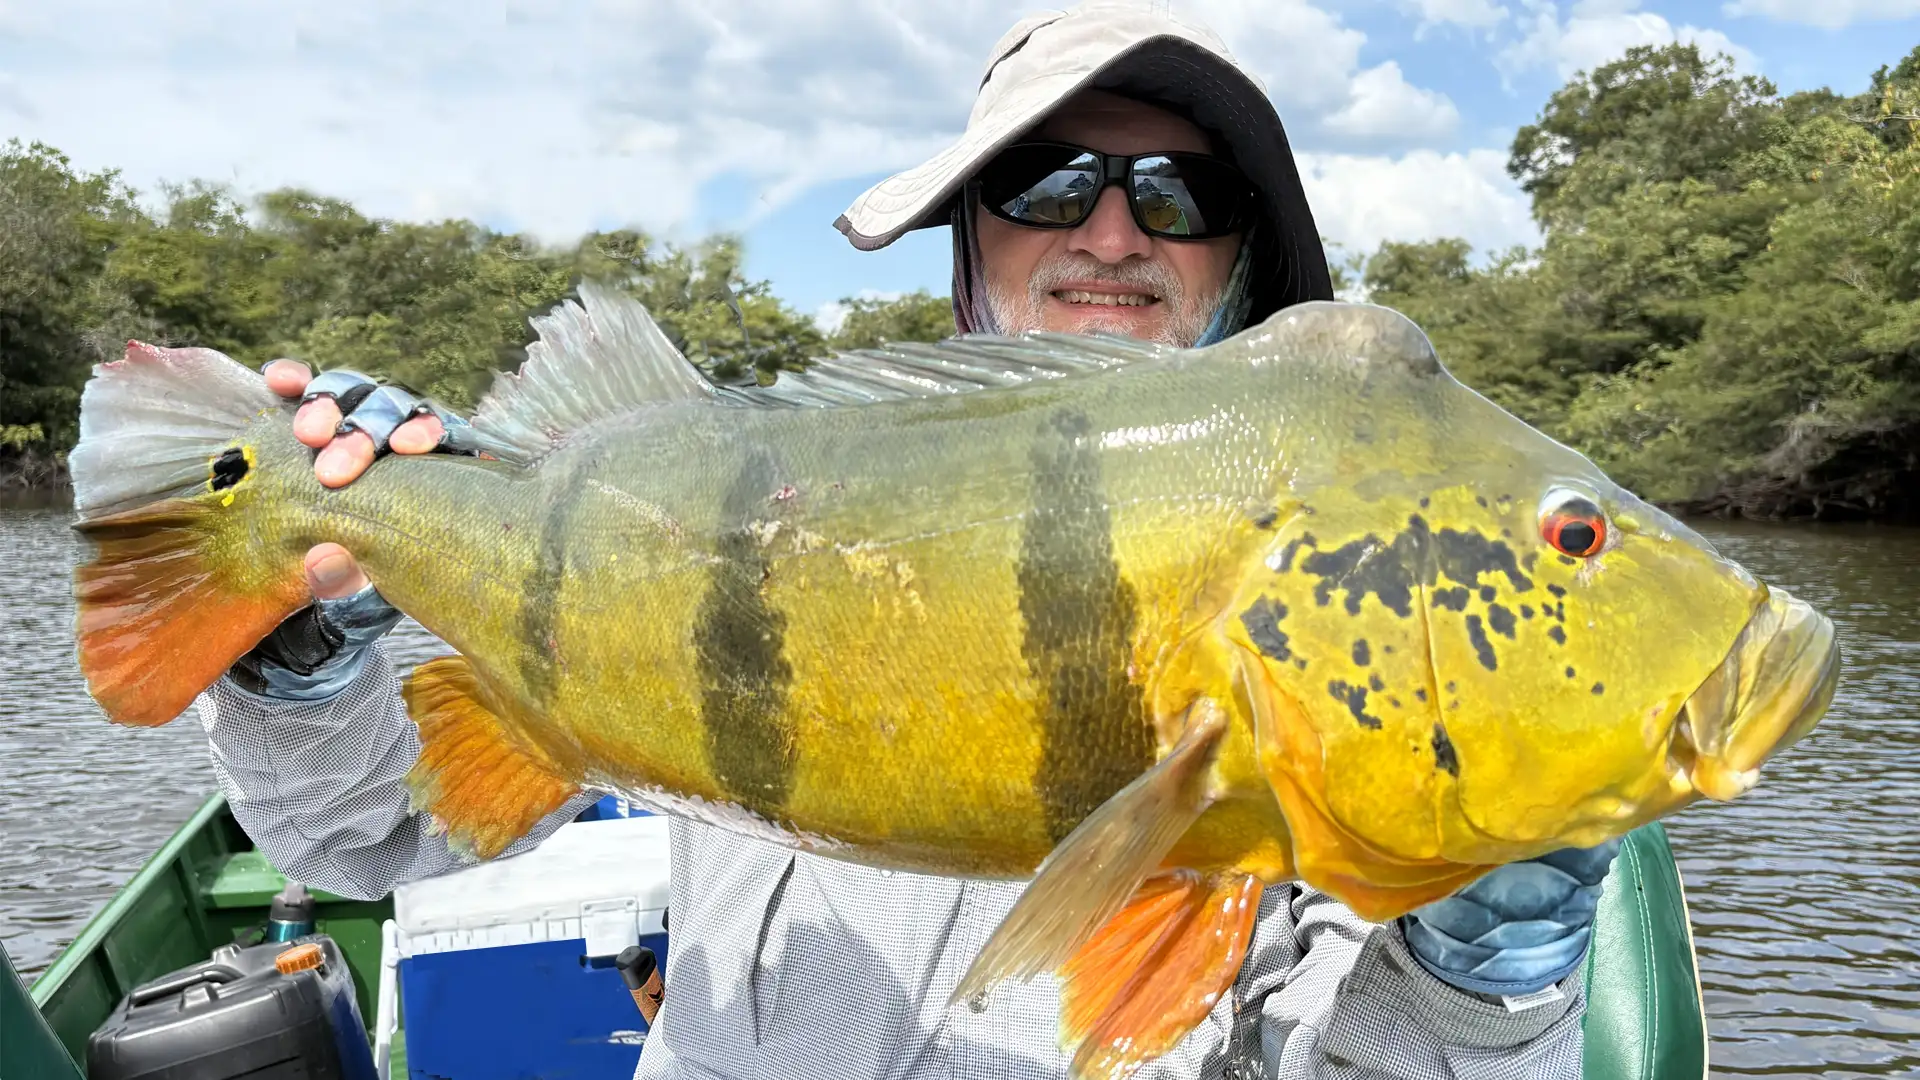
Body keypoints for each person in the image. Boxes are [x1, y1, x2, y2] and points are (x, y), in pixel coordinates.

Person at [197, 4, 1617, 1077]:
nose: (1114, 232)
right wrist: (301, 655)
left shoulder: (1362, 598)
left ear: (1240, 261)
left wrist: (1478, 988)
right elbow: (367, 840)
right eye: (1052, 180)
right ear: (967, 243)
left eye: (1181, 197)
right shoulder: (747, 497)